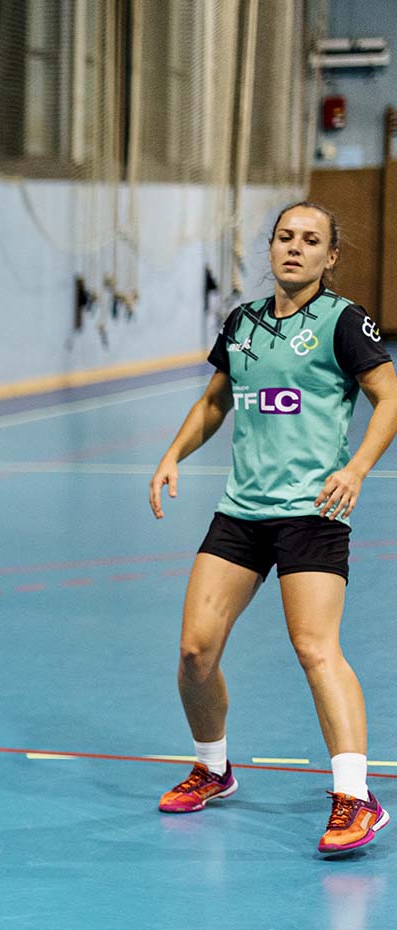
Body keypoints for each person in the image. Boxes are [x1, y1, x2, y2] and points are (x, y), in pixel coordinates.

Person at [149, 200, 396, 855]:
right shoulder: (243, 323)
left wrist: (359, 469)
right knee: (195, 653)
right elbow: (215, 400)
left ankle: (355, 796)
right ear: (272, 248)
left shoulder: (344, 323)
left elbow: (389, 396)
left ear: (330, 257)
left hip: (312, 512)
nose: (295, 248)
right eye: (286, 236)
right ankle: (213, 766)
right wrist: (175, 452)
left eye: (311, 240)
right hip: (241, 511)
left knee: (316, 648)